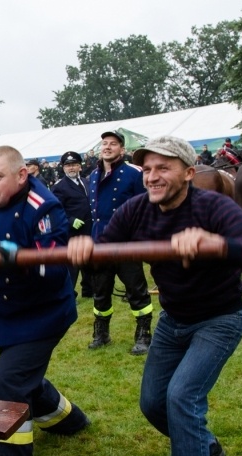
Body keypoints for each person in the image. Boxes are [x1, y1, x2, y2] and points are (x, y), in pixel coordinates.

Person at [66, 135, 242, 456]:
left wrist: (214, 242)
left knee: (182, 396)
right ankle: (207, 447)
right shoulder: (136, 210)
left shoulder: (214, 206)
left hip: (220, 318)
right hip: (174, 320)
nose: (151, 177)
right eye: (146, 169)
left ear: (188, 172)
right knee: (153, 403)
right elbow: (105, 246)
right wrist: (85, 248)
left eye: (163, 168)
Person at [0, 145, 90, 456]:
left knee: (8, 384)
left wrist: (5, 252)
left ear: (22, 175)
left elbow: (55, 269)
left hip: (41, 312)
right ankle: (68, 419)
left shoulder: (45, 207)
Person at [87, 130, 153, 355]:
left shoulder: (134, 174)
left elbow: (146, 206)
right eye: (104, 143)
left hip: (126, 244)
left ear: (122, 150)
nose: (107, 147)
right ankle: (101, 334)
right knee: (100, 292)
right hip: (100, 244)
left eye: (113, 144)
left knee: (137, 291)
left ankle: (144, 335)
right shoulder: (93, 176)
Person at [51, 151, 92, 297]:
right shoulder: (59, 187)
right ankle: (69, 294)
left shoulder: (87, 182)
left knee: (89, 262)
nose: (71, 168)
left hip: (88, 229)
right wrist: (70, 220)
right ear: (63, 168)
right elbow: (55, 210)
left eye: (74, 165)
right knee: (72, 265)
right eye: (68, 166)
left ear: (80, 166)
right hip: (72, 232)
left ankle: (88, 290)